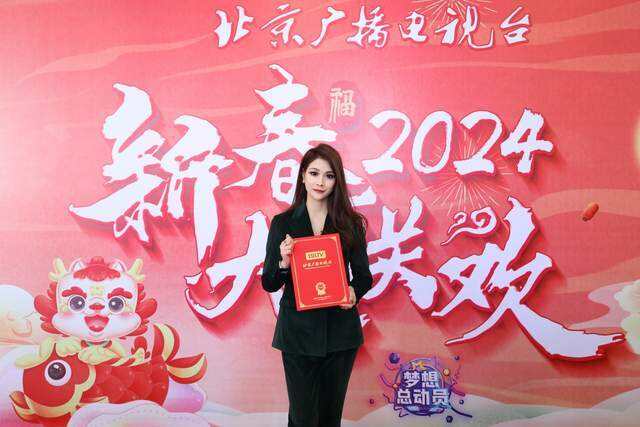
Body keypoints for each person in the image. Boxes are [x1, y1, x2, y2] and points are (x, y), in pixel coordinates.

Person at [262, 144, 373, 427]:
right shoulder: (283, 223)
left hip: (340, 334)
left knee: (329, 419)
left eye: (329, 175)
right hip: (297, 334)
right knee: (302, 419)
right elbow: (269, 283)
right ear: (302, 176)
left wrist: (353, 291)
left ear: (337, 181)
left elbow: (363, 276)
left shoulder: (350, 223)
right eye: (314, 173)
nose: (320, 182)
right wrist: (284, 262)